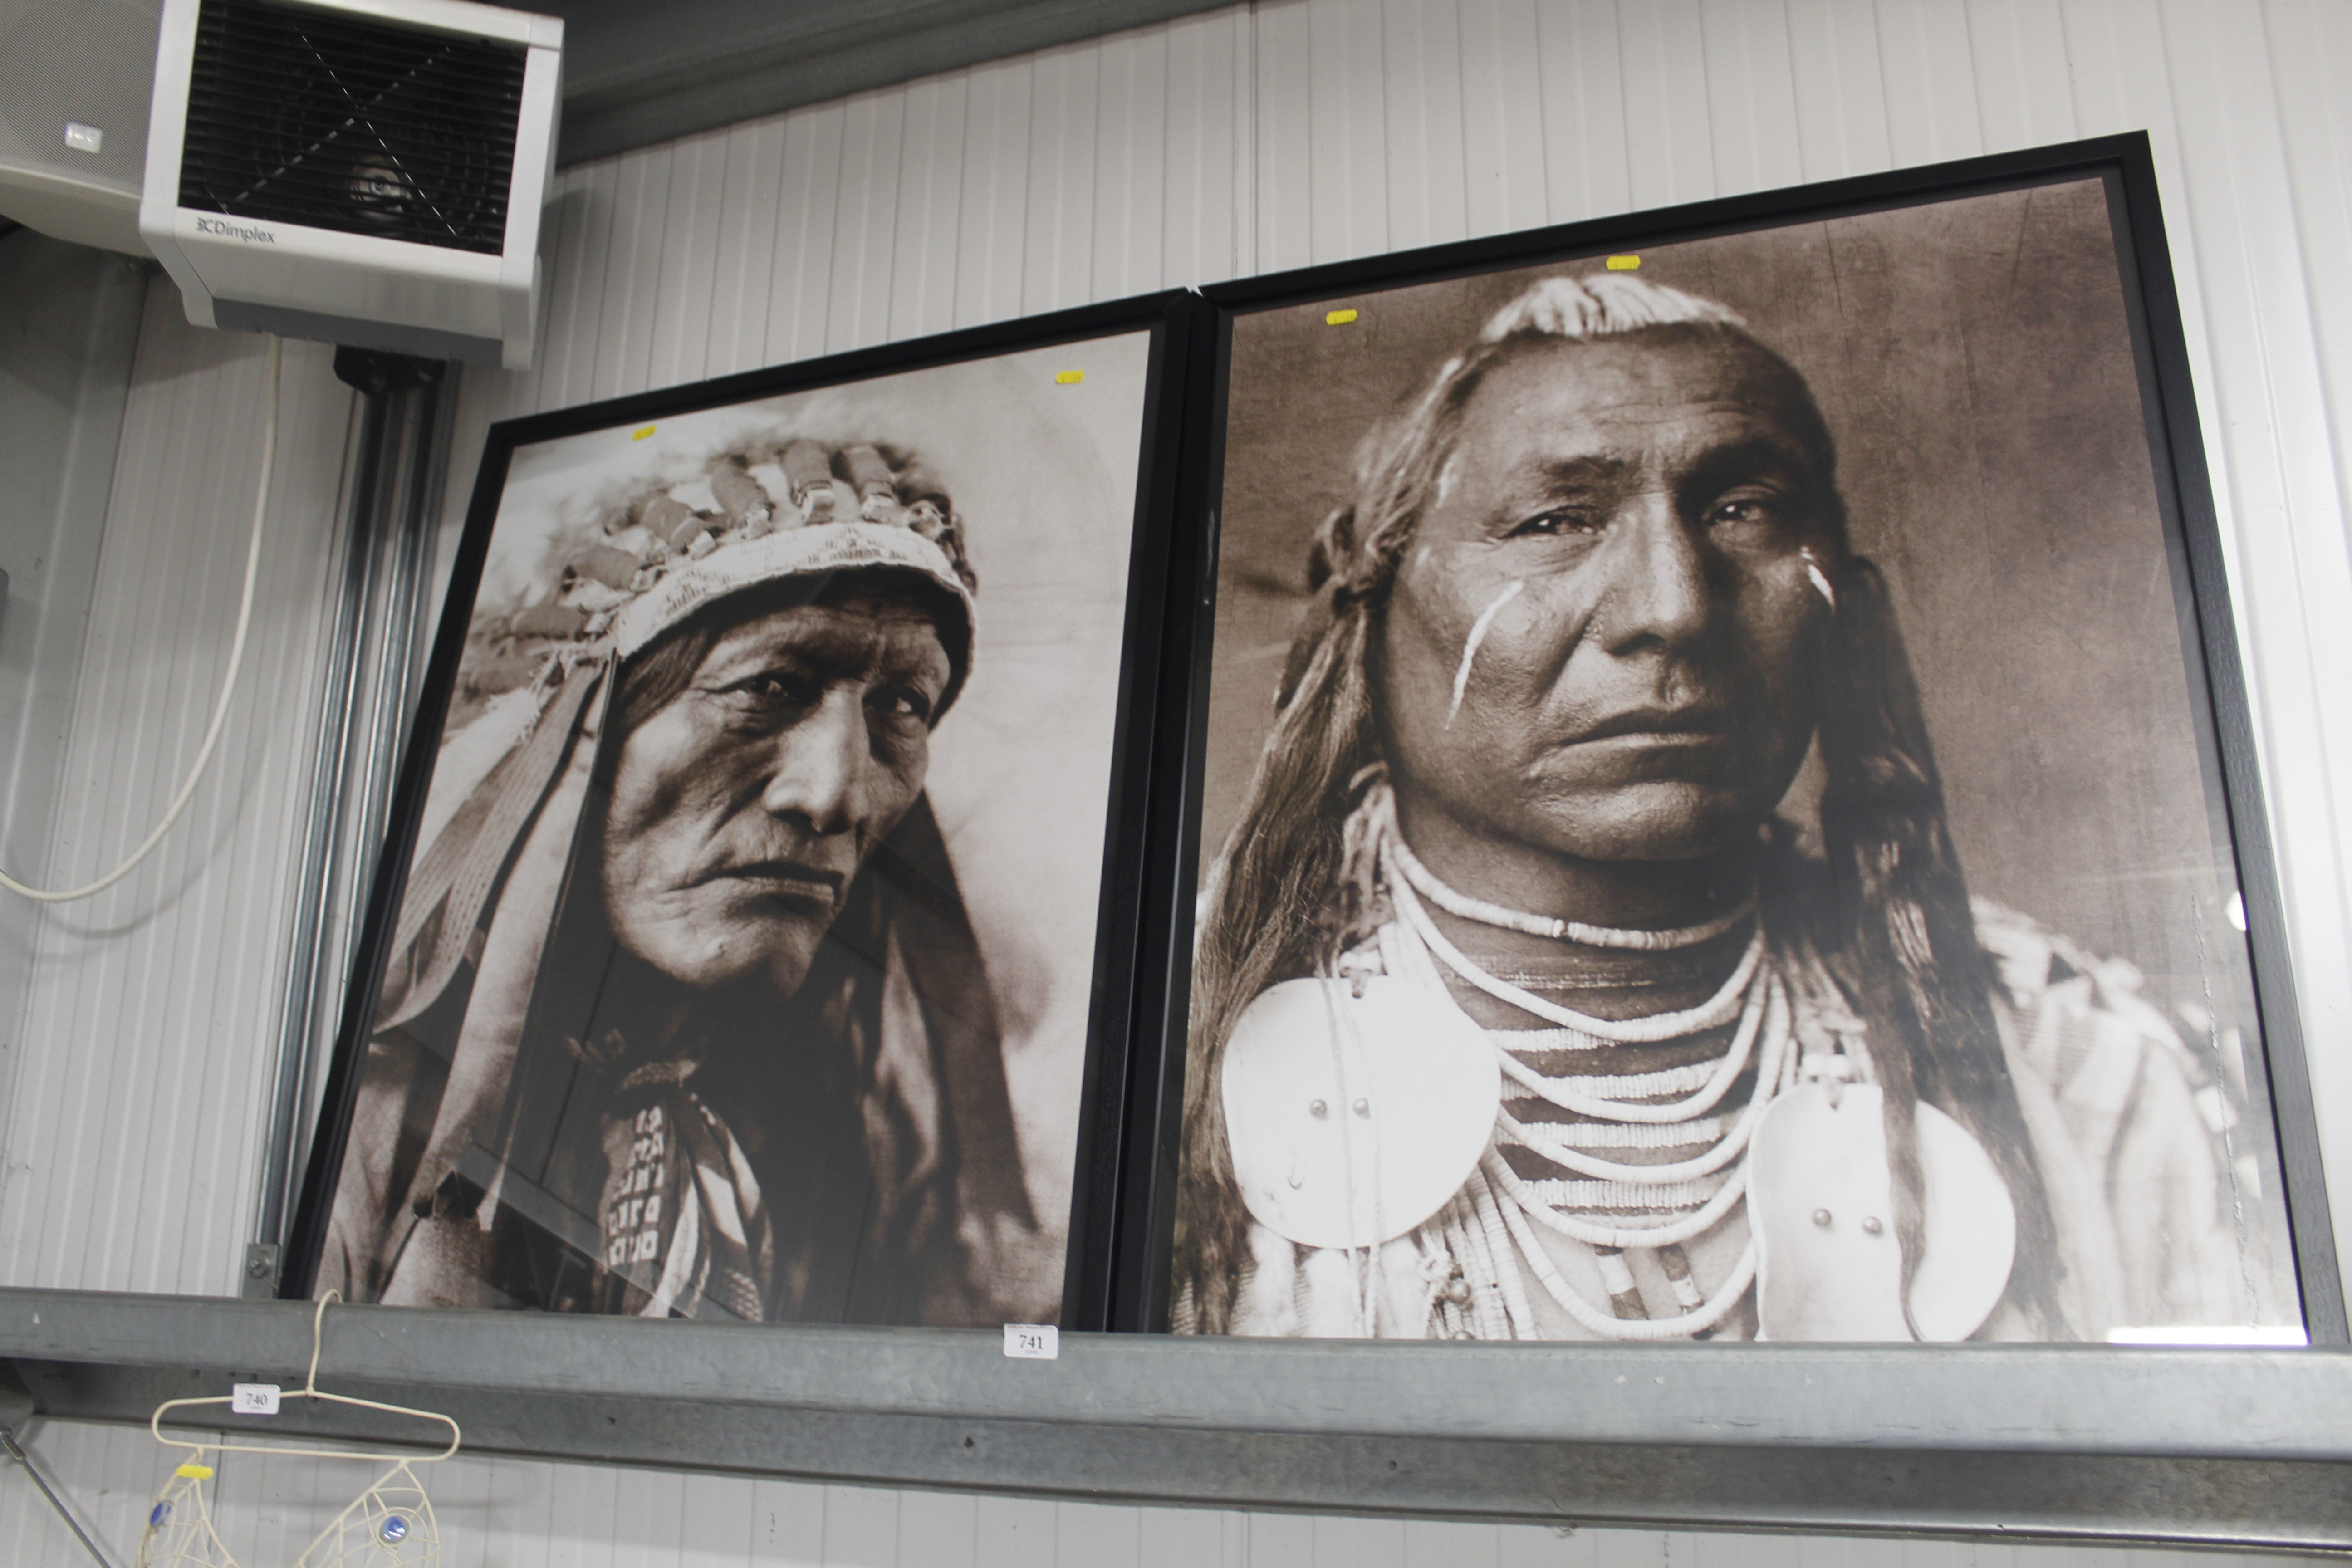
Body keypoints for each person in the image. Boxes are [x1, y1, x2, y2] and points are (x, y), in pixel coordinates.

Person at [1172, 273, 2286, 1343]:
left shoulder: (2081, 1065)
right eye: (1557, 520)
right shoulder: (1167, 1057)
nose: (1672, 607)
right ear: (1370, 596)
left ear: (1842, 596)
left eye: (1743, 510)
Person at [319, 436, 1051, 1324]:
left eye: (901, 706)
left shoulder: (869, 1153)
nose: (834, 796)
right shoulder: (356, 1138)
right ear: (574, 745)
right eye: (771, 684)